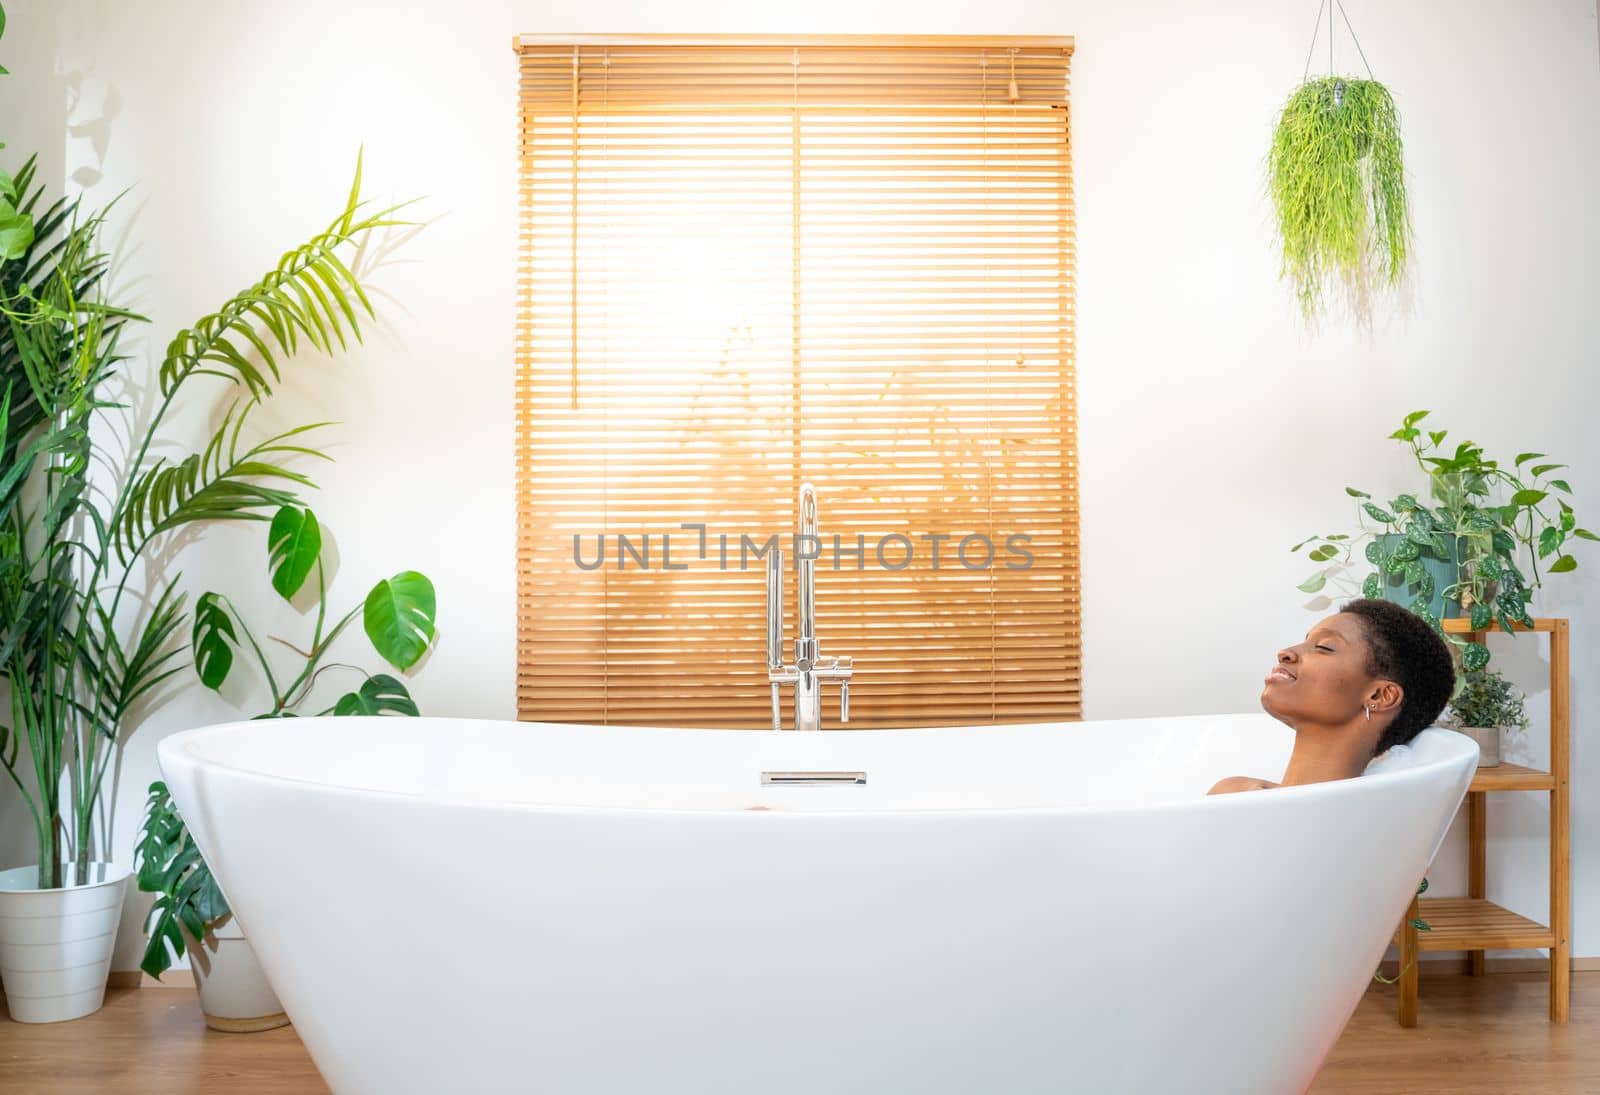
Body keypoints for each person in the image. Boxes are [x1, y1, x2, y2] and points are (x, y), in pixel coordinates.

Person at [1209, 598, 1457, 795]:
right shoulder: (1233, 794)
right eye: (1306, 641)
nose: (1285, 653)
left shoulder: (1373, 829)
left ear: (1379, 695)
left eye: (1324, 647)